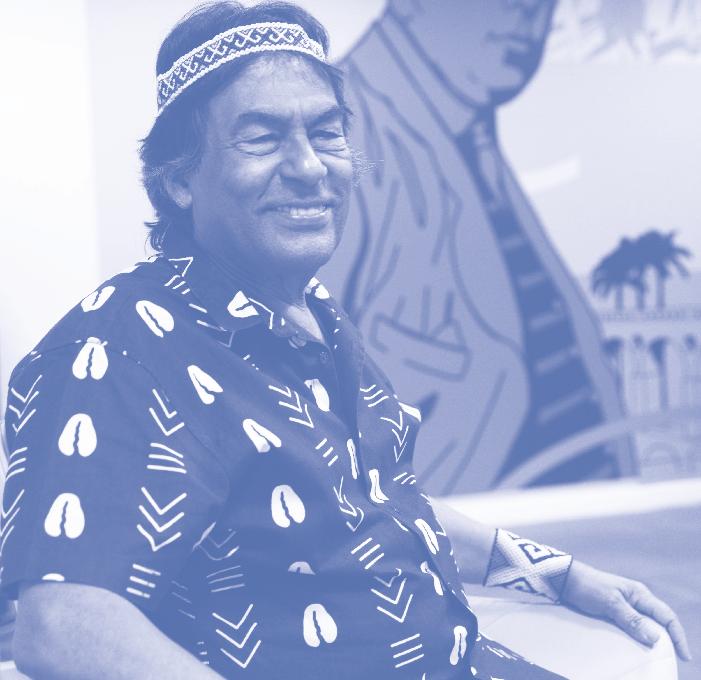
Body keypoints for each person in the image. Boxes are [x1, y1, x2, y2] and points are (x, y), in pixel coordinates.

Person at [0, 2, 689, 679]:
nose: (309, 167)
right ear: (179, 178)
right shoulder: (120, 348)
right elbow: (64, 623)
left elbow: (375, 507)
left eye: (326, 133)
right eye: (262, 138)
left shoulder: (310, 314)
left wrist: (555, 573)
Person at [323, 0, 635, 494]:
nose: (528, 18)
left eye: (544, 4)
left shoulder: (467, 132)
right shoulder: (333, 135)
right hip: (453, 537)